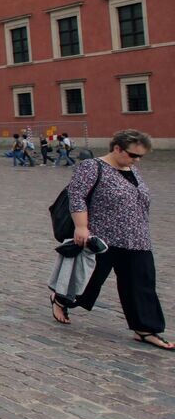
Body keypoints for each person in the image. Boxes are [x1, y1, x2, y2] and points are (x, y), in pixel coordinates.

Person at [52, 129, 170, 349]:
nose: (136, 160)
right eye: (133, 155)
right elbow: (77, 196)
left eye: (140, 157)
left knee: (142, 283)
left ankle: (145, 329)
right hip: (103, 237)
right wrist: (81, 226)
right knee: (88, 281)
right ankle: (60, 299)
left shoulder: (131, 170)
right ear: (117, 148)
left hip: (137, 238)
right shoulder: (92, 167)